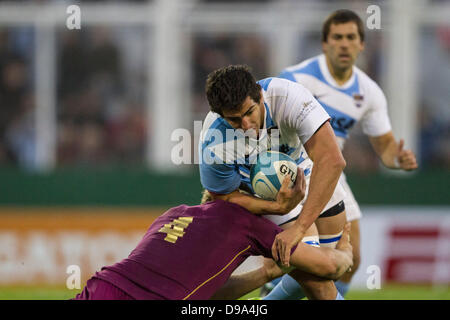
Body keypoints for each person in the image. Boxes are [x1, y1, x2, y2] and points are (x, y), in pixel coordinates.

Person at [264, 9, 418, 300]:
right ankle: (272, 295)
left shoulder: (369, 92)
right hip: (295, 165)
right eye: (337, 37)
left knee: (352, 259)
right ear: (325, 43)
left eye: (351, 38)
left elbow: (385, 147)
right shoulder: (297, 79)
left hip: (331, 169)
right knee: (316, 257)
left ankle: (274, 294)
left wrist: (398, 160)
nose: (344, 44)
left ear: (362, 44)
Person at [199, 64, 349, 299]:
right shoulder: (214, 142)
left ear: (260, 95)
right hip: (258, 192)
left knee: (327, 270)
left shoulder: (288, 97)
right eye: (235, 120)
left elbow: (331, 160)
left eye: (250, 112)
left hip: (303, 168)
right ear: (221, 115)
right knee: (318, 277)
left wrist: (299, 229)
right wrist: (276, 208)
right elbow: (225, 196)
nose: (246, 125)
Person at [73, 184, 354, 300]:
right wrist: (345, 252)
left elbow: (207, 291)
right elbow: (327, 267)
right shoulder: (247, 223)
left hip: (103, 286)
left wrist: (265, 274)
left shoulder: (174, 212)